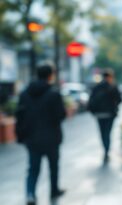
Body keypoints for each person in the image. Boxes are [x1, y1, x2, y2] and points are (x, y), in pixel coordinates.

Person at [15, 63, 66, 205]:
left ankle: (30, 193)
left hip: (31, 138)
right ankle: (54, 190)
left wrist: (21, 135)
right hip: (51, 137)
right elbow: (61, 115)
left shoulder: (25, 94)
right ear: (50, 75)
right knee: (53, 166)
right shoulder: (54, 94)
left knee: (33, 168)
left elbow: (19, 115)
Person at [88, 69, 122, 163]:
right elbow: (119, 100)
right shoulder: (112, 87)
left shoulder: (97, 87)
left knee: (103, 133)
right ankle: (107, 150)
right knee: (108, 132)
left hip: (99, 114)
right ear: (110, 77)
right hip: (109, 114)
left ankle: (105, 149)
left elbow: (91, 100)